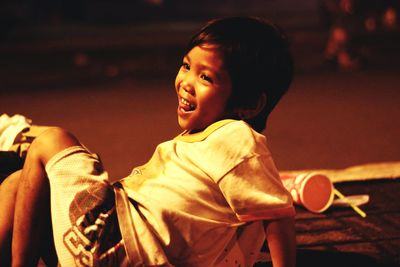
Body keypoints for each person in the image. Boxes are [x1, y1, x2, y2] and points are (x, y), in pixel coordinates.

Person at [0, 16, 296, 267]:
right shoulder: (206, 141)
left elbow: (277, 214)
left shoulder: (236, 137)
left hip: (118, 242)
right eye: (186, 66)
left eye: (206, 77)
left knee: (53, 139)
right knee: (18, 184)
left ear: (250, 105)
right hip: (107, 246)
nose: (186, 82)